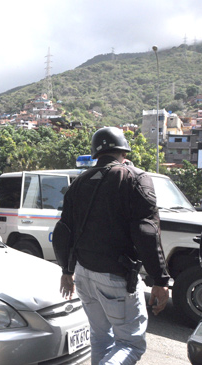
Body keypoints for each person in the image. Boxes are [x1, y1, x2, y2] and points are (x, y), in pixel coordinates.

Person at [52, 127, 170, 365]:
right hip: (116, 277)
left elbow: (63, 232)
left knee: (100, 338)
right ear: (123, 152)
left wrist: (66, 271)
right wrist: (160, 280)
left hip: (83, 275)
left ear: (96, 153)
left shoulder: (80, 182)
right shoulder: (135, 178)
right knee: (130, 344)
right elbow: (146, 231)